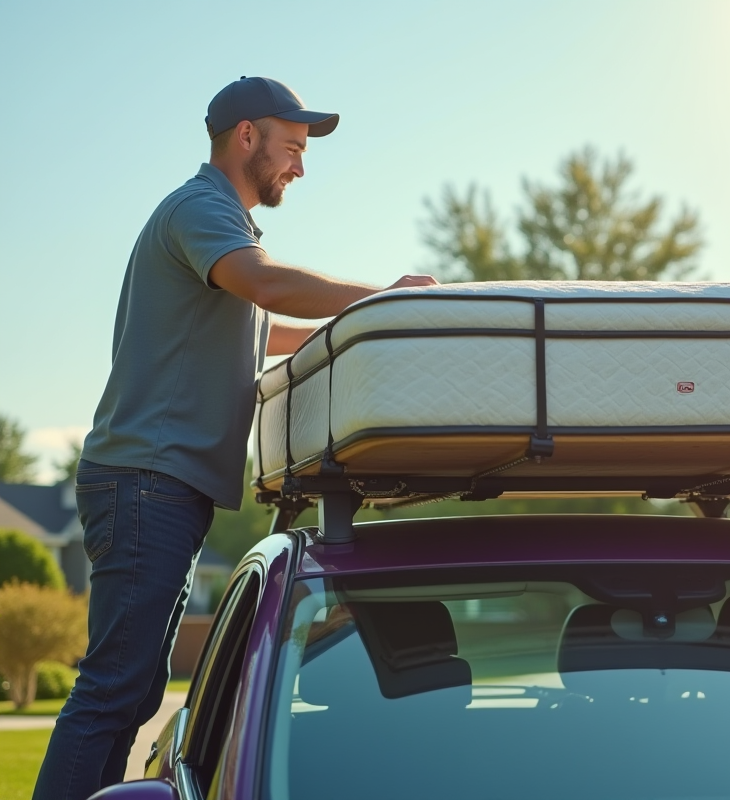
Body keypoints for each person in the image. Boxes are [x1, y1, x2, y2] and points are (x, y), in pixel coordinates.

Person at [33, 76, 437, 800]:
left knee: (130, 693)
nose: (300, 167)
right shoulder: (200, 210)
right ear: (244, 137)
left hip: (165, 487)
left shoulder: (228, 229)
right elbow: (270, 288)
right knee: (110, 692)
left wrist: (353, 334)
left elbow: (263, 326)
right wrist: (384, 296)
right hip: (145, 481)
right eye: (292, 147)